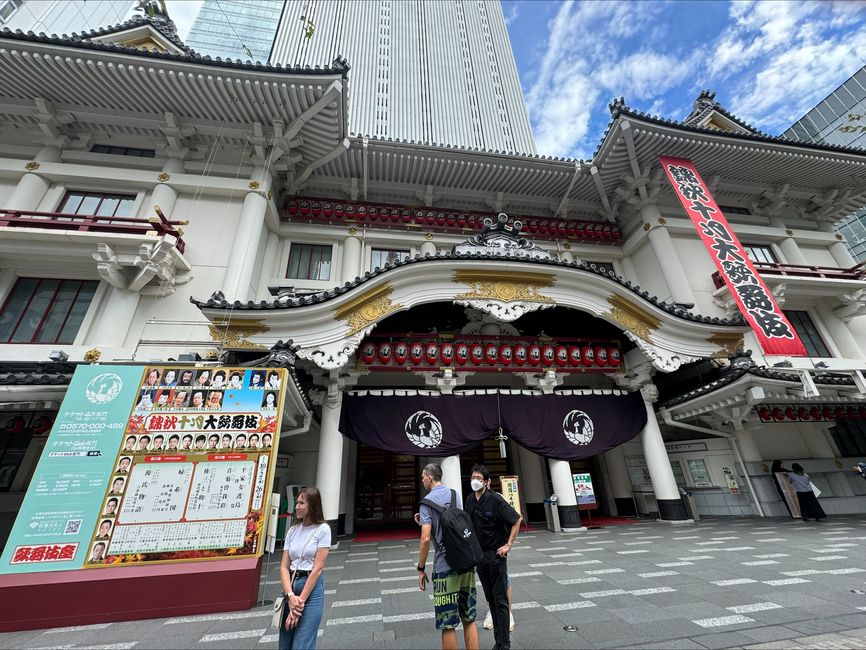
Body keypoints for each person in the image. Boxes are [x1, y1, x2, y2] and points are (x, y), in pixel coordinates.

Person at [417, 463, 479, 650]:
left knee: (448, 624)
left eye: (423, 477)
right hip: (465, 563)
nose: (422, 480)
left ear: (430, 477)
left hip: (445, 568)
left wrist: (421, 568)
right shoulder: (454, 495)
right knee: (469, 619)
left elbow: (426, 538)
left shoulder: (426, 503)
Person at [464, 465, 521, 650]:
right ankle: (499, 642)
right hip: (480, 557)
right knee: (490, 599)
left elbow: (516, 519)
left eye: (479, 478)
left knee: (500, 600)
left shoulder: (495, 499)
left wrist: (508, 545)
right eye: (473, 477)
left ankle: (503, 644)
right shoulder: (470, 500)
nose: (475, 480)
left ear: (487, 482)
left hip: (496, 555)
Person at [279, 487, 331, 650]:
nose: (297, 507)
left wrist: (299, 603)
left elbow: (318, 568)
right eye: (297, 502)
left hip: (311, 588)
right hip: (291, 587)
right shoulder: (292, 530)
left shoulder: (323, 530)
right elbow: (284, 566)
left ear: (312, 505)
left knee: (302, 643)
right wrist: (290, 596)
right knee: (285, 643)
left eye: (301, 503)